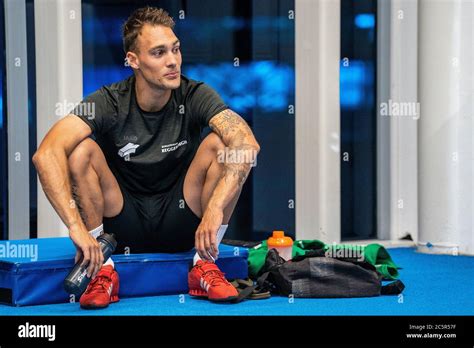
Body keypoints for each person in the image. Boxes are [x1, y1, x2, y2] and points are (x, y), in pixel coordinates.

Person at [32, 6, 260, 308]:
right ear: (133, 60)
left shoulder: (195, 95)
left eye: (175, 49)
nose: (172, 61)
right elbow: (45, 154)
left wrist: (216, 209)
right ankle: (101, 267)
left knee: (222, 144)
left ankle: (204, 263)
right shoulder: (108, 101)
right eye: (159, 53)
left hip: (183, 218)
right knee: (80, 151)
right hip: (120, 226)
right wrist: (75, 227)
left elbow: (247, 145)